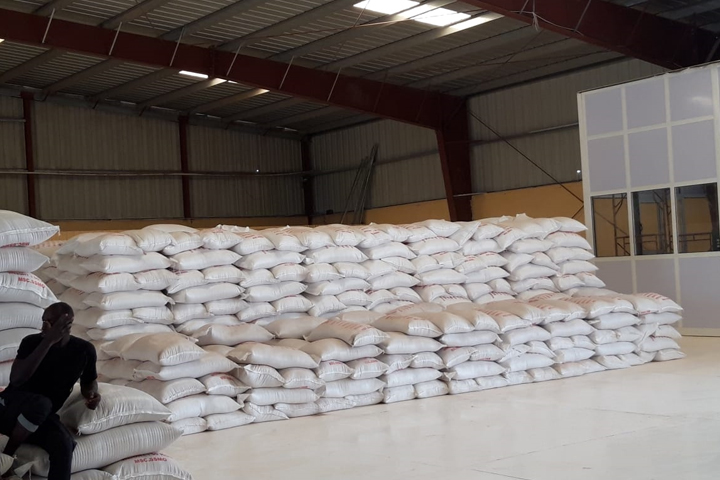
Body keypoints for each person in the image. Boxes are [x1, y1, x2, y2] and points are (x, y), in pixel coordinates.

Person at [0, 302, 101, 480]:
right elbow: (16, 379)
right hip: (9, 409)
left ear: (67, 325)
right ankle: (5, 460)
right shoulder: (31, 342)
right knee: (41, 403)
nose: (43, 327)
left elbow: (89, 381)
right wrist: (47, 342)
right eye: (43, 321)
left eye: (48, 322)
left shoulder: (84, 350)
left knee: (64, 443)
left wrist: (92, 394)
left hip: (40, 418)